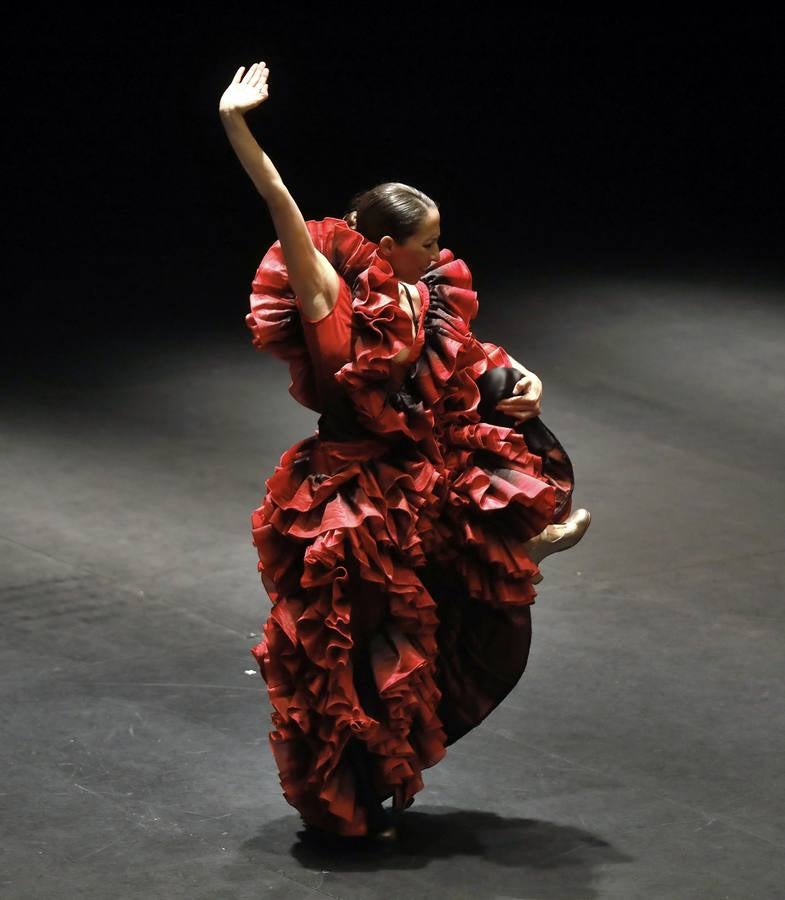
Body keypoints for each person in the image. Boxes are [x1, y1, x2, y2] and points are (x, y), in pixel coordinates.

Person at [219, 61, 591, 843]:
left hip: (418, 468)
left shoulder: (424, 293)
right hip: (350, 494)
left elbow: (461, 359)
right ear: (388, 244)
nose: (438, 250)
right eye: (426, 242)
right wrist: (237, 125)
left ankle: (526, 546)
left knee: (450, 582)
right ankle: (351, 788)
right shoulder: (332, 298)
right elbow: (279, 203)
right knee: (349, 649)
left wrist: (518, 377)